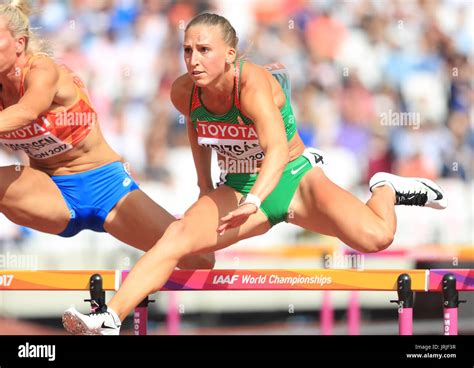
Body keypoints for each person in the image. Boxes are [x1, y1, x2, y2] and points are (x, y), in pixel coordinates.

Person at [62, 13, 447, 335]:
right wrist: (203, 184)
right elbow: (198, 129)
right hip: (238, 184)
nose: (193, 59)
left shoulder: (250, 85)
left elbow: (277, 151)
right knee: (178, 236)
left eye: (204, 50)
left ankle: (385, 188)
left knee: (377, 237)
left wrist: (256, 200)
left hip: (294, 179)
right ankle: (110, 319)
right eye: (187, 50)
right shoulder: (184, 92)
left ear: (230, 55)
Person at [0, 1, 214, 273]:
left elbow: (27, 112)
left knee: (200, 261)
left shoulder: (42, 71)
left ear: (19, 43)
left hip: (104, 187)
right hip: (51, 192)